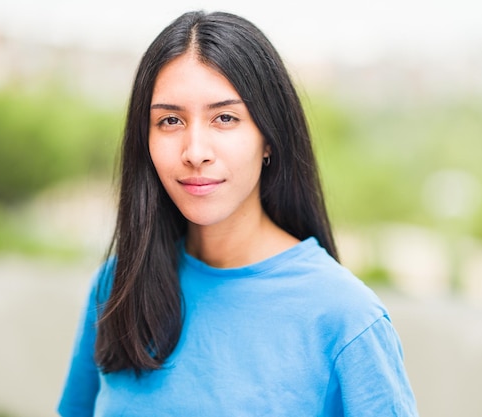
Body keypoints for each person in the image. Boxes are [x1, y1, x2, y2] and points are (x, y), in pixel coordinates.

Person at [57, 10, 419, 417]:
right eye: (170, 120)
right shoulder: (117, 287)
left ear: (269, 137)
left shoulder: (345, 319)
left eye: (225, 118)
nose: (195, 152)